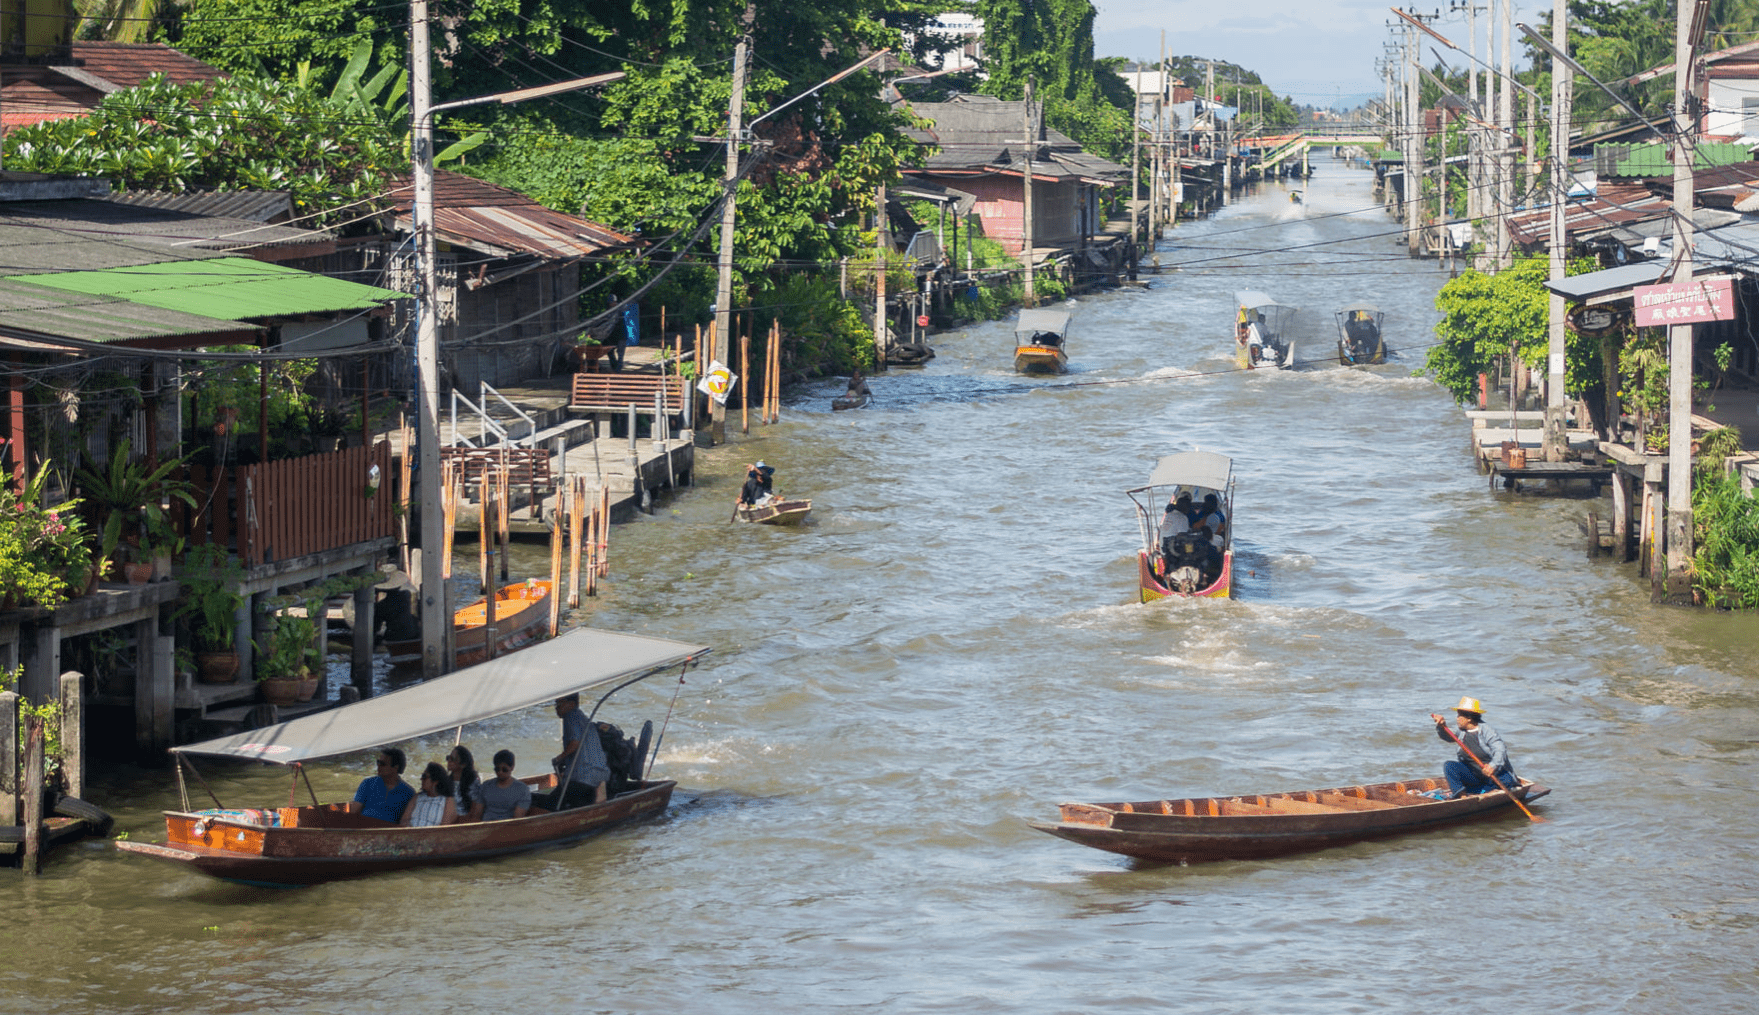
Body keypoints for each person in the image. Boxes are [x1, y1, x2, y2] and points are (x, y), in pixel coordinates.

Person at [1430, 696, 1518, 799]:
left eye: (1459, 716)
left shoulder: (1487, 731)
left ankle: (1481, 791)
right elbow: (1447, 736)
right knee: (1449, 766)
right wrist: (1441, 726)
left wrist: (1492, 766)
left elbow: (1500, 749)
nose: (1456, 718)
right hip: (1473, 774)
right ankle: (1463, 797)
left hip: (1492, 775)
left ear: (1469, 718)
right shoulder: (1461, 731)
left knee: (1508, 780)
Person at [535, 693, 610, 811]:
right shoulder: (583, 718)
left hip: (582, 778)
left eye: (560, 704)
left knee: (548, 803)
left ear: (571, 704)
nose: (556, 707)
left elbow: (575, 742)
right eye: (556, 704)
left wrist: (560, 758)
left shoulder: (571, 716)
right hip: (598, 777)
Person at [352, 747, 416, 824]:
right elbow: (354, 812)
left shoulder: (409, 792)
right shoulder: (367, 783)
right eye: (378, 762)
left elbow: (405, 821)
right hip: (365, 829)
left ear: (395, 768)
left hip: (388, 833)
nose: (378, 766)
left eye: (383, 764)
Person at [477, 749, 532, 821]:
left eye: (504, 770)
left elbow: (517, 819)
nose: (500, 772)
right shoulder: (486, 786)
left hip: (507, 828)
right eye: (497, 769)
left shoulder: (522, 790)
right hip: (485, 826)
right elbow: (477, 814)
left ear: (512, 767)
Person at [399, 762, 457, 827]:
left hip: (432, 835)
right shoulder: (417, 797)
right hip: (411, 834)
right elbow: (404, 820)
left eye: (424, 777)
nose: (421, 779)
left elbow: (443, 827)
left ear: (435, 781)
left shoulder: (447, 800)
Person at [447, 745, 483, 823]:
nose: (448, 761)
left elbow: (474, 812)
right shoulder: (446, 781)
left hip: (464, 822)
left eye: (452, 759)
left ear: (463, 764)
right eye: (448, 758)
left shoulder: (473, 781)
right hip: (448, 820)